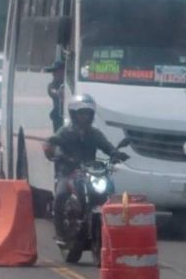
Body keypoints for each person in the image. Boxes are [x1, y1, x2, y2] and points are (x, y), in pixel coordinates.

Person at [44, 94, 126, 236]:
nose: (86, 117)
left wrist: (115, 153)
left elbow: (106, 145)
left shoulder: (94, 133)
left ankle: (113, 226)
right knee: (61, 195)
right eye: (82, 114)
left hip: (90, 172)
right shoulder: (65, 132)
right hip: (68, 172)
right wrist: (58, 154)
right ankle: (60, 231)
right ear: (74, 114)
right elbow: (53, 143)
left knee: (109, 187)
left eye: (88, 114)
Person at [45, 60, 65, 132]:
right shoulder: (52, 85)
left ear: (63, 71)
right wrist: (58, 93)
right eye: (53, 72)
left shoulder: (70, 84)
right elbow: (52, 91)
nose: (54, 74)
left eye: (56, 71)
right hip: (58, 118)